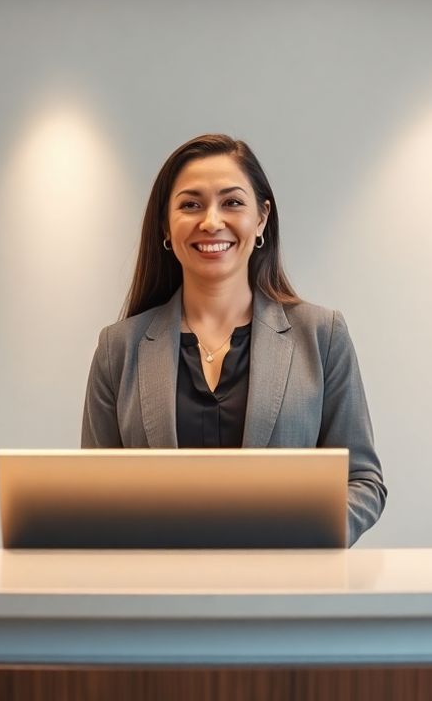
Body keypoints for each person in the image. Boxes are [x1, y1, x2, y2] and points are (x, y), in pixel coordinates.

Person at [80, 134, 386, 545]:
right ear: (165, 227)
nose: (211, 221)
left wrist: (305, 540)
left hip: (284, 595)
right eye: (190, 204)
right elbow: (90, 495)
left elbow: (363, 481)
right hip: (158, 597)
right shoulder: (118, 349)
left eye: (232, 202)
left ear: (261, 218)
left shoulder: (322, 335)